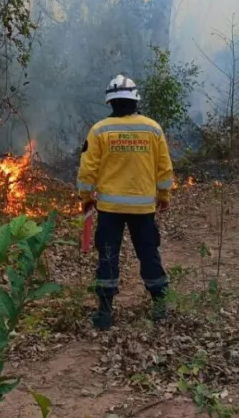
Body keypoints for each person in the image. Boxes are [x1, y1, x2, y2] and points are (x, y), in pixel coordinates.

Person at [77, 74, 174, 330]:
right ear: (135, 101)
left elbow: (88, 170)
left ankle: (105, 313)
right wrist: (163, 196)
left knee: (108, 256)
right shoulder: (152, 128)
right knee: (148, 253)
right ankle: (160, 305)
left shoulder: (99, 130)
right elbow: (164, 168)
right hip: (143, 208)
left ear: (110, 102)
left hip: (110, 209)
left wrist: (86, 199)